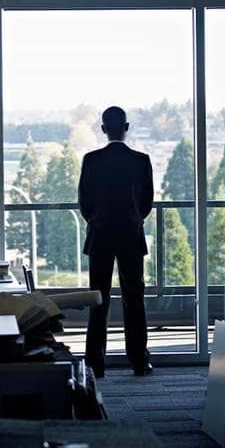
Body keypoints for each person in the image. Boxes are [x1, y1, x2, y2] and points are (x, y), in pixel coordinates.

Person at [78, 106, 154, 378]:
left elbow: (84, 202)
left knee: (99, 299)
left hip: (100, 234)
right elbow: (147, 203)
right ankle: (138, 360)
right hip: (130, 235)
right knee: (134, 298)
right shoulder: (141, 160)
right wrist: (132, 218)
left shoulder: (91, 160)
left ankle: (95, 362)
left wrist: (97, 219)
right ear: (127, 126)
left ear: (103, 129)